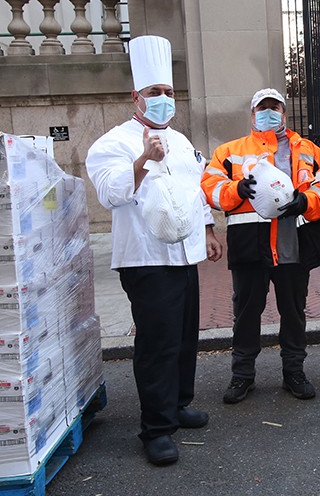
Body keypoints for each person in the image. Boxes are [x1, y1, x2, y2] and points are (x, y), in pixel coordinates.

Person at [85, 35, 223, 466]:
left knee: (184, 336)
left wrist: (209, 230)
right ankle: (156, 428)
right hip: (145, 258)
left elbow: (196, 190)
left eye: (167, 93)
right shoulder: (113, 143)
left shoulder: (182, 141)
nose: (162, 99)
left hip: (184, 254)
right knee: (158, 343)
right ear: (136, 97)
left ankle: (178, 404)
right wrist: (142, 160)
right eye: (154, 93)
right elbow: (109, 193)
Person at [201, 88, 320, 404]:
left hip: (293, 241)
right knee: (246, 312)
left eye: (274, 107)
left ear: (284, 113)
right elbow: (210, 188)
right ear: (252, 115)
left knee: (293, 311)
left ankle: (294, 372)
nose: (268, 113)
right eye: (262, 108)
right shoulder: (229, 151)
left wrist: (306, 200)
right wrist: (237, 188)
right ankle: (242, 376)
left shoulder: (309, 150)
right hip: (249, 243)